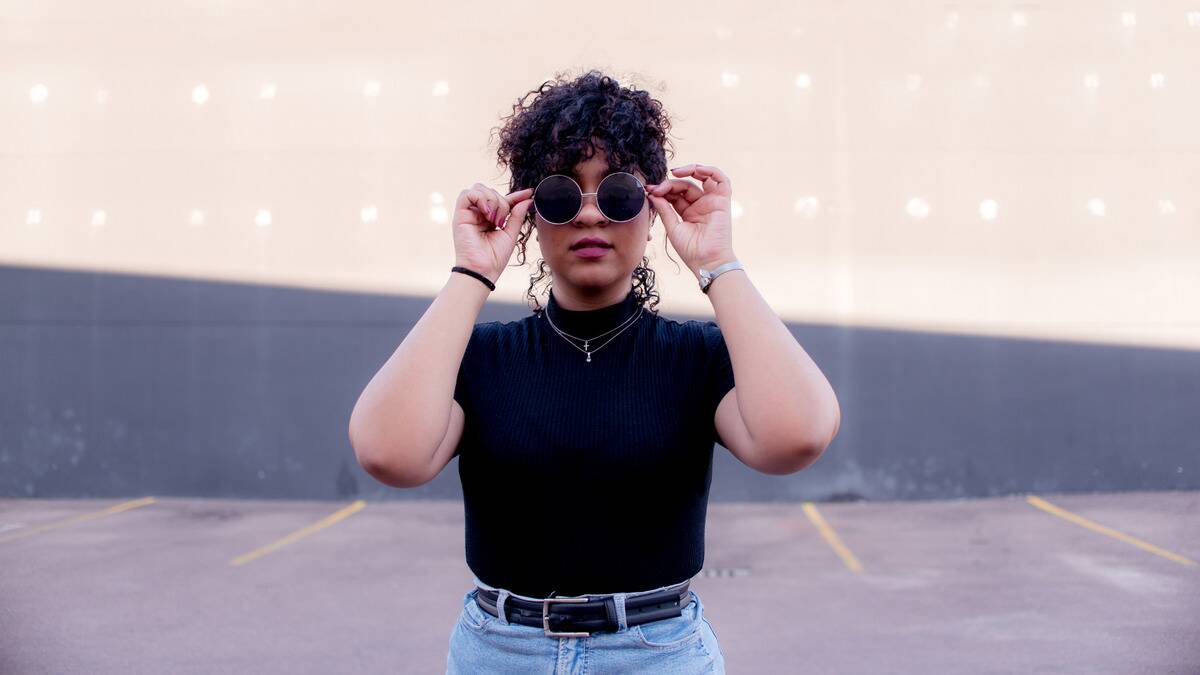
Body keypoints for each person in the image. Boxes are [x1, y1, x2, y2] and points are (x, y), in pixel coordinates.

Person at [348, 70, 840, 674]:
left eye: (617, 194)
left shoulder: (697, 356)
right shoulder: (479, 357)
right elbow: (386, 454)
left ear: (654, 207)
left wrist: (717, 261)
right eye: (559, 195)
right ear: (527, 213)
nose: (588, 214)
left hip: (656, 652)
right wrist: (471, 274)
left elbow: (798, 437)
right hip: (500, 652)